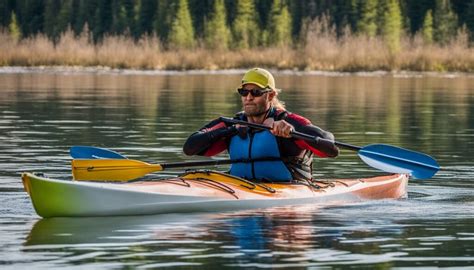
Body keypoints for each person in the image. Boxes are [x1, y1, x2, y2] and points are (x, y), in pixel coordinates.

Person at [183, 67, 339, 182]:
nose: (248, 97)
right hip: (241, 190)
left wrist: (291, 131)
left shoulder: (288, 121)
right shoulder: (233, 123)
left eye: (256, 92)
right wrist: (229, 131)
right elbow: (189, 148)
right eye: (244, 92)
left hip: (287, 198)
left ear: (270, 95)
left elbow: (330, 148)